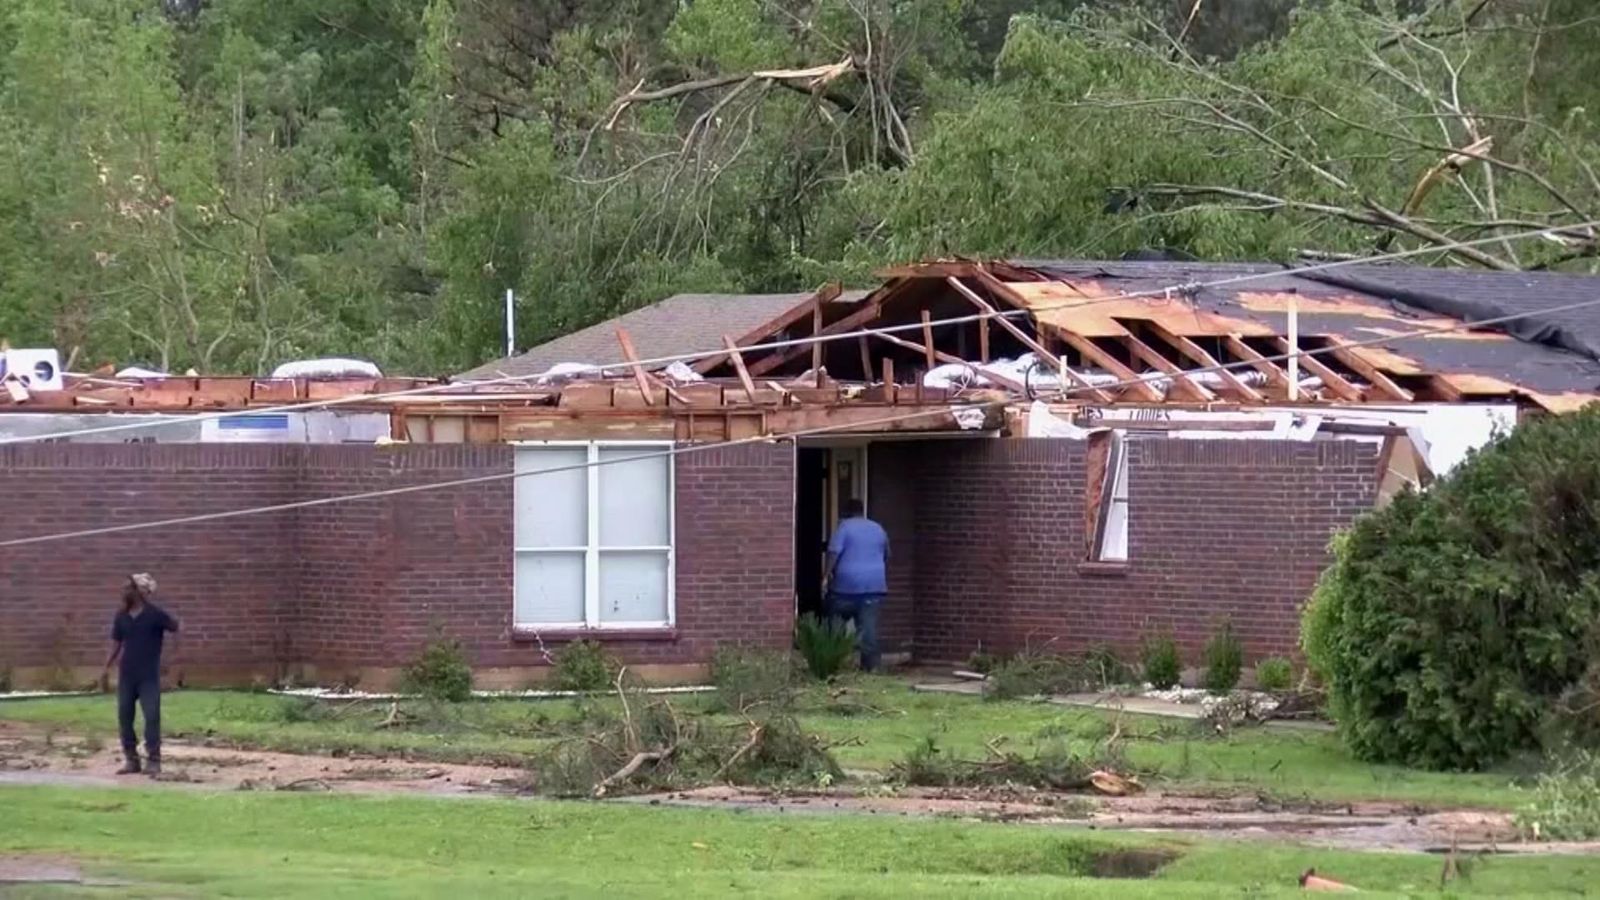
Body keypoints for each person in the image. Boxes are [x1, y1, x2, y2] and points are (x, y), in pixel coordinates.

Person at [104, 573, 179, 776]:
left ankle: (154, 760)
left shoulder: (155, 614)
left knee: (152, 715)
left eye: (128, 588)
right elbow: (116, 642)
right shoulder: (121, 616)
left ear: (140, 592)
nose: (124, 592)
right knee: (124, 716)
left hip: (148, 675)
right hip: (127, 674)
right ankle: (131, 760)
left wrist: (172, 661)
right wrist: (107, 666)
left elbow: (175, 628)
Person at [825, 499, 889, 672]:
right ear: (863, 511)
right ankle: (871, 668)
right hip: (873, 588)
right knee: (868, 630)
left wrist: (826, 574)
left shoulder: (844, 527)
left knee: (835, 625)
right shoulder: (878, 529)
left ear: (845, 512)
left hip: (845, 588)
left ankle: (832, 663)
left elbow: (833, 552)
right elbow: (886, 554)